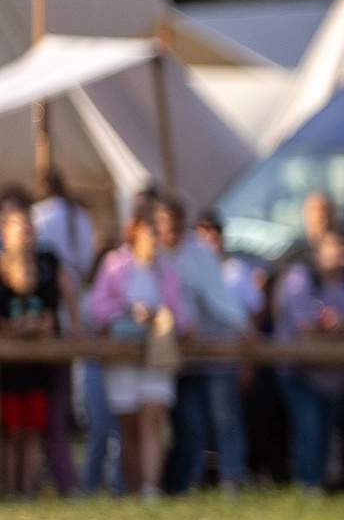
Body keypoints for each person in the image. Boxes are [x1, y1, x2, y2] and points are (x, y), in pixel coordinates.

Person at [83, 207, 191, 498]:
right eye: (149, 231)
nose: (154, 238)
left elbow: (181, 315)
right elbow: (97, 308)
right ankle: (131, 488)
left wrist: (160, 316)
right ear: (136, 232)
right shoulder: (114, 265)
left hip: (157, 355)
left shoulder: (167, 271)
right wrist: (129, 313)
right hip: (123, 357)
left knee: (152, 419)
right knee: (130, 427)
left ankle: (150, 489)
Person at [272, 228, 344, 493]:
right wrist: (341, 328)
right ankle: (308, 486)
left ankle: (316, 484)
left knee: (327, 432)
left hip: (338, 374)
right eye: (335, 247)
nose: (343, 254)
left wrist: (341, 325)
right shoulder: (300, 276)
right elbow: (304, 327)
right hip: (299, 371)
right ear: (319, 252)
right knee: (309, 428)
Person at [159, 201, 252, 495]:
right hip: (178, 354)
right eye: (164, 220)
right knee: (190, 423)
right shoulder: (155, 255)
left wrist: (242, 330)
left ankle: (231, 479)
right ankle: (189, 479)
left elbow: (220, 298)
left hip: (215, 350)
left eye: (175, 219)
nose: (171, 227)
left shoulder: (201, 254)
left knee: (224, 419)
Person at [29, 171, 93, 496]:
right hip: (65, 319)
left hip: (54, 321)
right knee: (55, 411)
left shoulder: (40, 218)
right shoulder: (79, 216)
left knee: (44, 412)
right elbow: (83, 265)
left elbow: (65, 277)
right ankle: (62, 479)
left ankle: (47, 480)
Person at [0, 194, 64, 497]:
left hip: (36, 373)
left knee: (32, 434)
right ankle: (11, 489)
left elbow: (52, 316)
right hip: (8, 377)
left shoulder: (47, 265)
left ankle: (27, 490)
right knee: (11, 435)